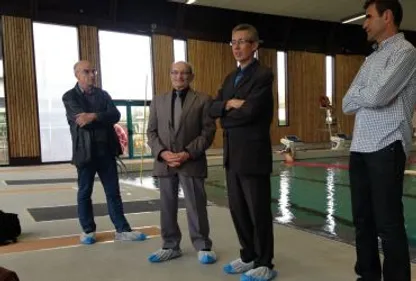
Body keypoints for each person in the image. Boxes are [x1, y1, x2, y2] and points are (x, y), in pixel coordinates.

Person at [342, 1, 416, 280]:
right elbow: (347, 102)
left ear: (387, 17)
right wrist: (368, 94)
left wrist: (368, 94)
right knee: (363, 221)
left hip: (387, 144)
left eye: (369, 17)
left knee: (388, 222)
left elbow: (377, 96)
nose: (364, 23)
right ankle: (368, 275)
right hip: (360, 146)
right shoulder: (372, 58)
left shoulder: (406, 52)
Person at [209, 24, 276, 281]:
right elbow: (213, 109)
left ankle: (264, 262)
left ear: (255, 46)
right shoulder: (229, 78)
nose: (236, 47)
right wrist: (228, 105)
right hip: (232, 155)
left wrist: (227, 115)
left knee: (258, 211)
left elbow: (250, 112)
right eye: (233, 42)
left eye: (242, 42)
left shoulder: (263, 75)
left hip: (253, 155)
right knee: (238, 210)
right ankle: (248, 255)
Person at [62, 60, 147, 245]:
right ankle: (88, 230)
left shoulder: (103, 94)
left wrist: (92, 116)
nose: (92, 74)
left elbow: (115, 115)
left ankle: (122, 229)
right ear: (77, 74)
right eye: (86, 71)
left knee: (113, 191)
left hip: (106, 151)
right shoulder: (69, 97)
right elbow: (79, 119)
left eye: (94, 71)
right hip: (85, 152)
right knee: (85, 191)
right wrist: (102, 116)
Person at [146, 61, 217, 264]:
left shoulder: (203, 100)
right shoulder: (158, 101)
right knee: (167, 206)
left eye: (184, 73)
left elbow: (208, 132)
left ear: (191, 77)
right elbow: (151, 133)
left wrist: (187, 153)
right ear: (170, 75)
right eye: (175, 73)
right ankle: (170, 245)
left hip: (191, 161)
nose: (179, 77)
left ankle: (203, 245)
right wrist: (162, 152)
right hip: (165, 162)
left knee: (196, 206)